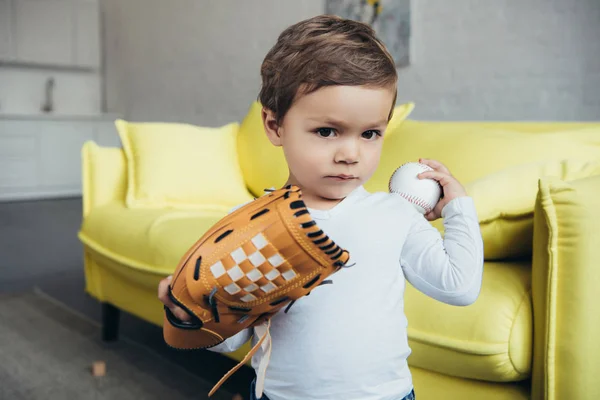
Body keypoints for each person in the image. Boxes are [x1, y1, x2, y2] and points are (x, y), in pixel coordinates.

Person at [158, 14, 483, 400]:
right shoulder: (255, 228)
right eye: (327, 131)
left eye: (370, 134)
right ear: (275, 125)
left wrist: (458, 207)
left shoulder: (394, 215)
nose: (350, 154)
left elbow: (459, 287)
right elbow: (234, 339)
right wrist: (192, 315)